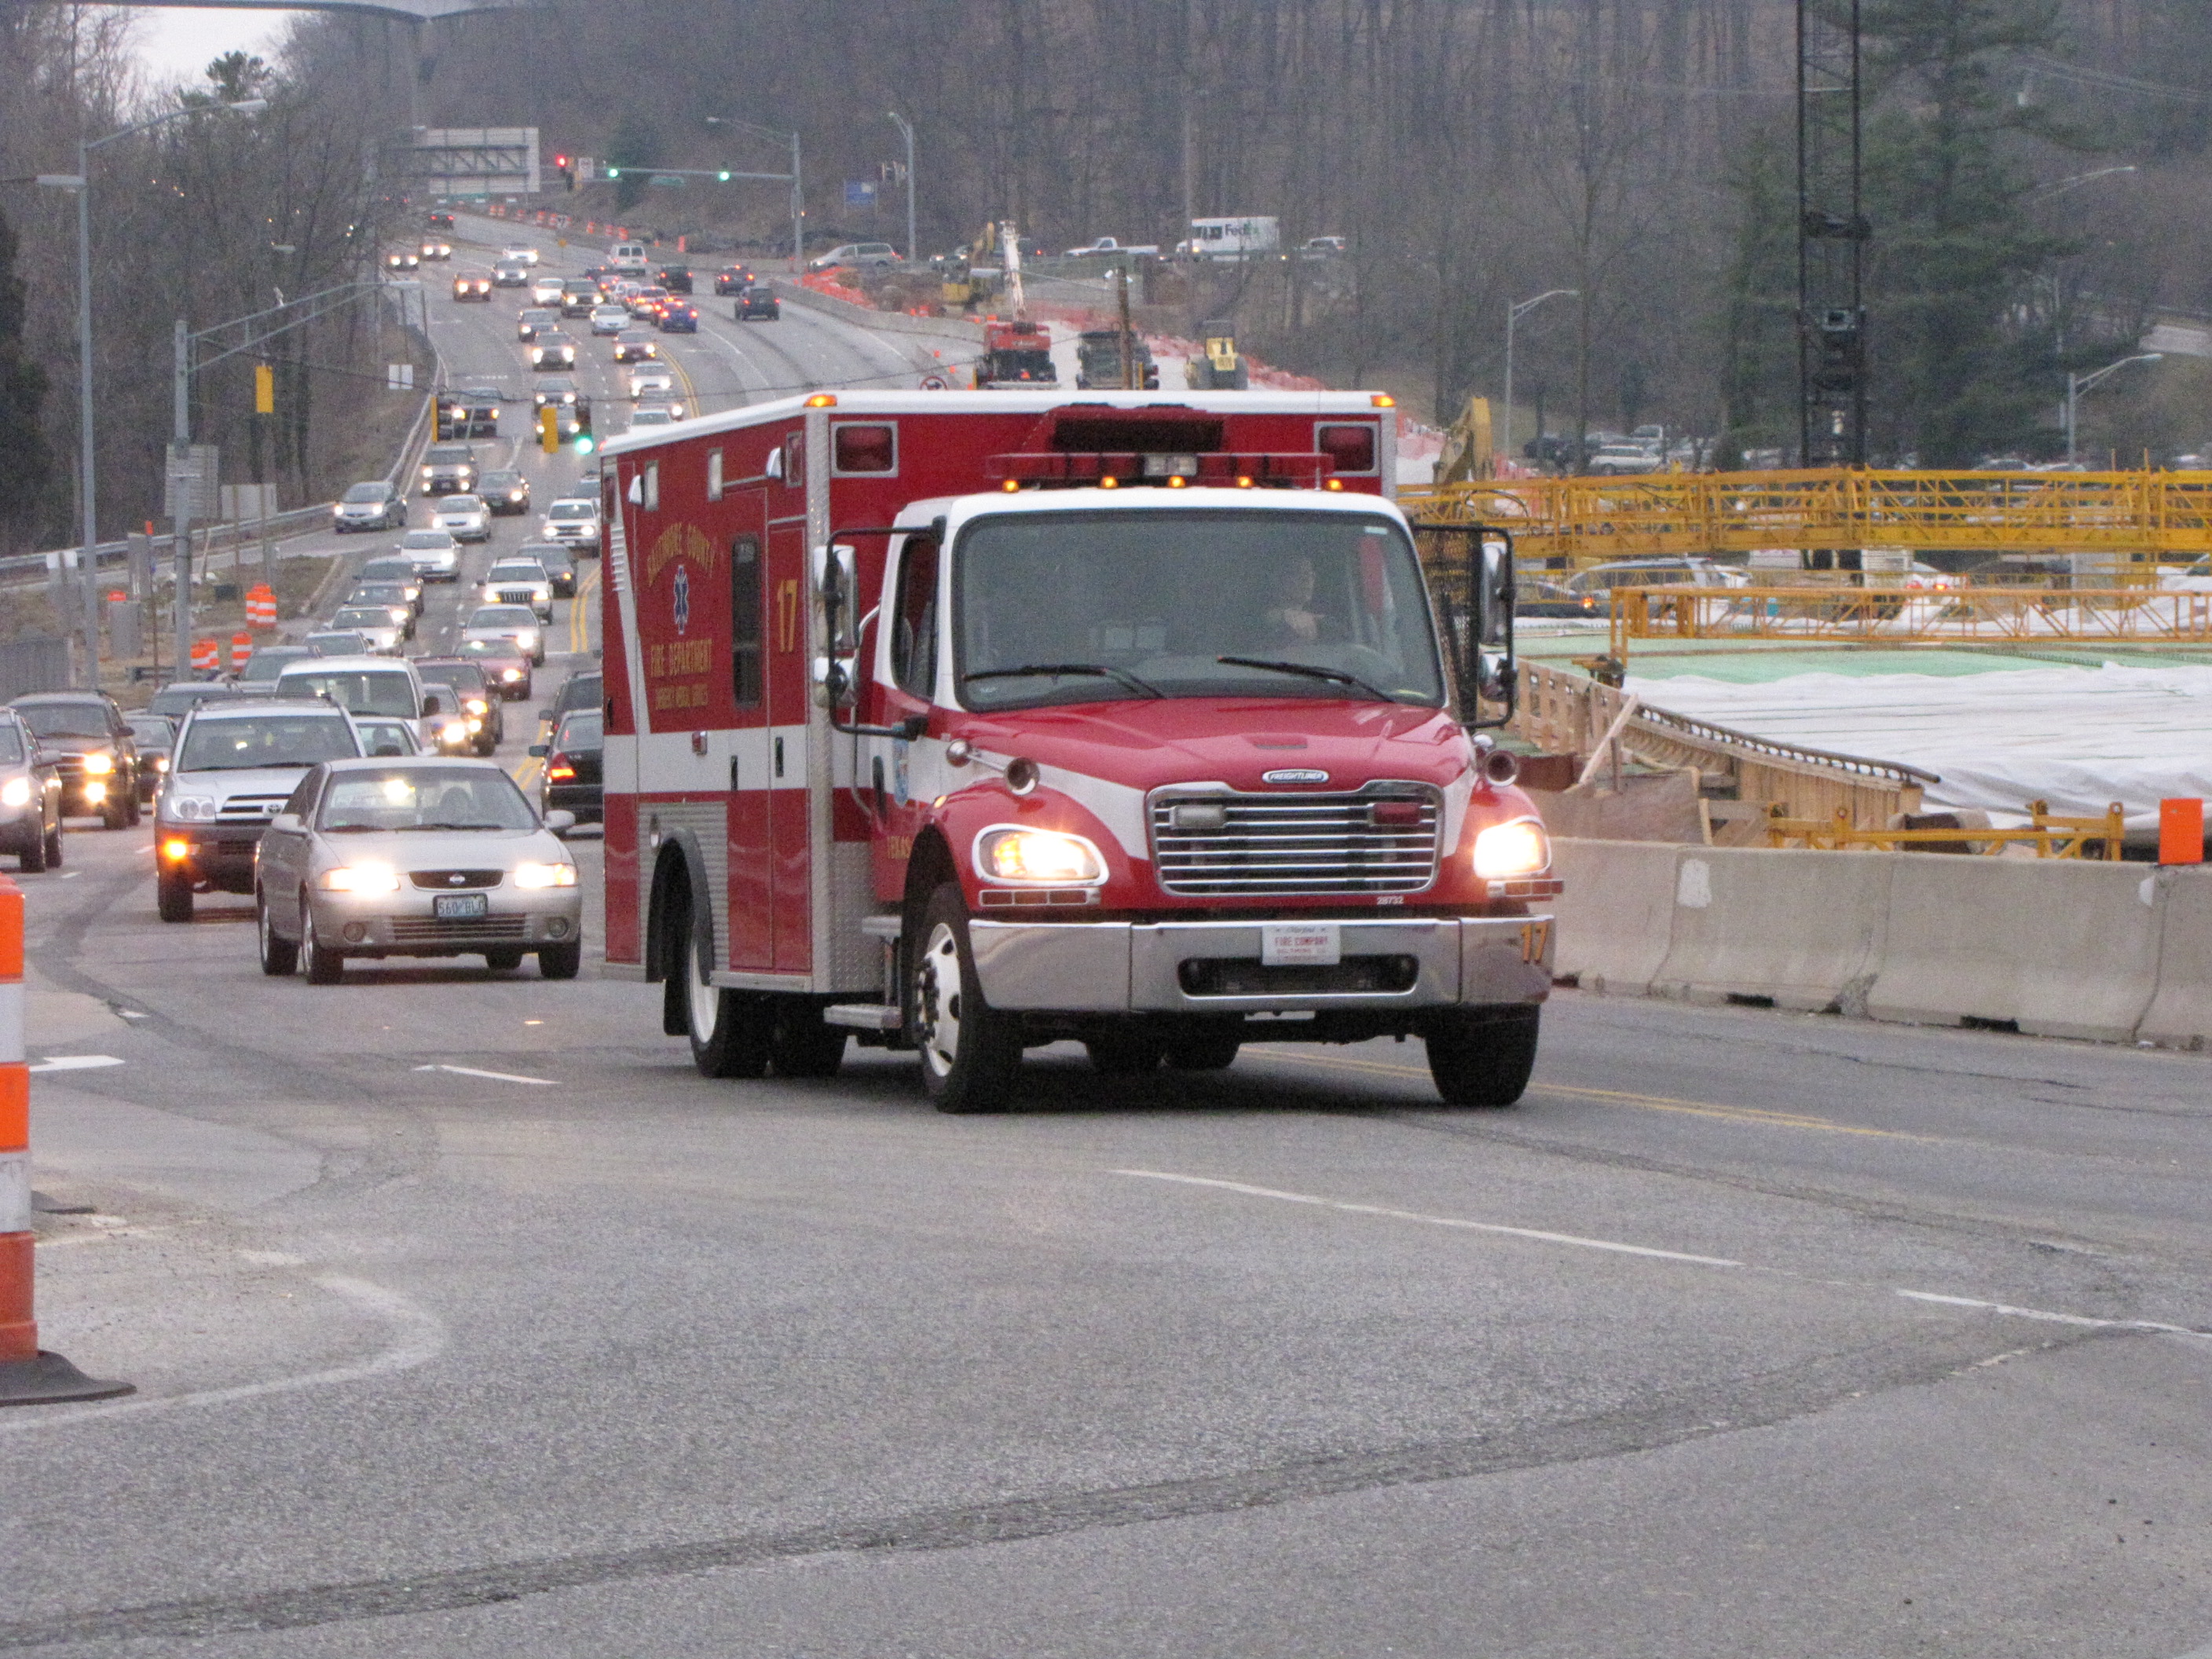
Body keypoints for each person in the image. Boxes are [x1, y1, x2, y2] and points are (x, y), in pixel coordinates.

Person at [1263, 557, 1323, 644]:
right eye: (1298, 573)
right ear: (1280, 579)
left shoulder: (1323, 624)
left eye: (1310, 575)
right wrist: (1284, 616)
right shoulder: (1262, 624)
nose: (1307, 580)